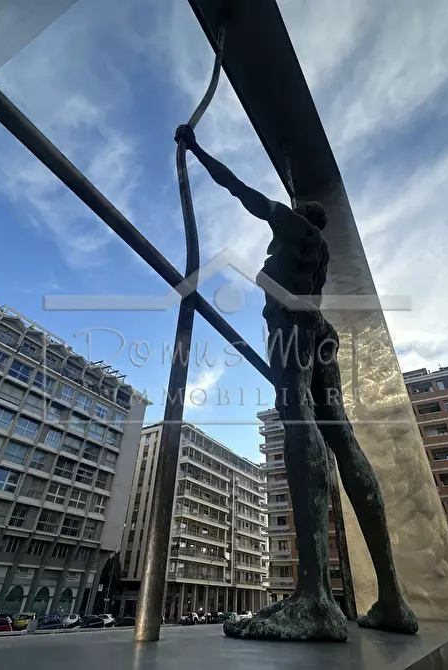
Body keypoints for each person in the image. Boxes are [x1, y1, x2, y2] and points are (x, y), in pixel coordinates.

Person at [175, 124, 418, 641]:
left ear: (299, 216)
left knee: (299, 419)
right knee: (341, 434)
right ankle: (393, 599)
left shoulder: (292, 225)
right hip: (318, 327)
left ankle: (314, 597)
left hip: (292, 323)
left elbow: (240, 191)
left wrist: (196, 150)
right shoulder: (319, 252)